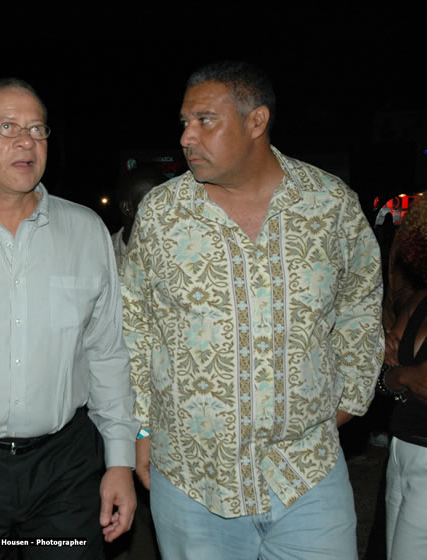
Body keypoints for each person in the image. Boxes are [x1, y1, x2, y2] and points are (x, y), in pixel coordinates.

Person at [121, 60, 384, 559]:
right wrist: (142, 428)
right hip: (194, 480)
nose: (186, 137)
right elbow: (137, 326)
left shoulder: (330, 205)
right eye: (183, 122)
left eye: (204, 120)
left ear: (256, 122)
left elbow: (361, 303)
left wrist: (350, 397)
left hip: (307, 473)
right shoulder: (162, 213)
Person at [0, 78, 138, 559]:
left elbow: (105, 353)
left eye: (38, 129)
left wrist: (119, 460)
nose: (27, 141)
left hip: (66, 466)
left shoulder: (85, 231)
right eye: (9, 127)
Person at [379, 194, 427, 559]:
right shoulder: (420, 300)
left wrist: (402, 376)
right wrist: (402, 377)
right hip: (401, 447)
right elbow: (386, 375)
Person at [111, 165, 167, 273]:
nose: (164, 207)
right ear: (127, 208)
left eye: (166, 199)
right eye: (154, 201)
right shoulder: (104, 255)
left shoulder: (182, 249)